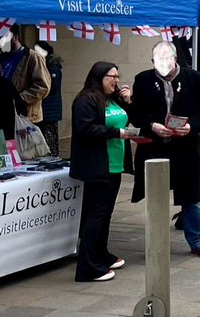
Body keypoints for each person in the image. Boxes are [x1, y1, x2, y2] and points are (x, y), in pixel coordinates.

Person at [130, 41, 200, 257]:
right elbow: (136, 113)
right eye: (158, 60)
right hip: (155, 147)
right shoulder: (143, 80)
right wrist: (151, 125)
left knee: (190, 197)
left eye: (167, 59)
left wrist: (191, 126)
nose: (163, 64)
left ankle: (196, 241)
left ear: (175, 59)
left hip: (185, 147)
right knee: (155, 196)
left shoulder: (193, 78)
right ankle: (156, 242)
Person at [70, 62, 135, 282]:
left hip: (114, 165)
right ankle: (87, 266)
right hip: (97, 165)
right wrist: (116, 132)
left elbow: (129, 119)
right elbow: (85, 129)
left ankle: (101, 254)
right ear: (99, 77)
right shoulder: (86, 99)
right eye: (112, 76)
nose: (116, 80)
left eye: (118, 76)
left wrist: (128, 101)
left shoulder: (111, 98)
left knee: (105, 213)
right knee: (95, 215)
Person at [0, 24, 52, 125]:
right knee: (9, 141)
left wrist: (19, 98)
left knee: (21, 141)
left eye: (4, 38)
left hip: (27, 118)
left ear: (15, 37)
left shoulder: (33, 57)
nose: (1, 42)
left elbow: (43, 87)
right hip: (3, 116)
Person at [35, 41, 64, 157]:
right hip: (46, 109)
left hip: (49, 110)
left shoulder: (52, 67)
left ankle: (52, 157)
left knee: (49, 138)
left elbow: (52, 87)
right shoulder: (45, 65)